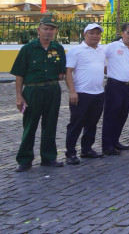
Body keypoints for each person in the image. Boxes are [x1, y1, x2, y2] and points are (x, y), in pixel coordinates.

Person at [12, 16, 66, 171]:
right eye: (45, 28)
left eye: (51, 29)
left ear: (55, 31)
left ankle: (48, 157)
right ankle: (25, 159)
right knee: (30, 125)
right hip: (33, 90)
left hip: (52, 90)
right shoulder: (28, 49)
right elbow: (19, 75)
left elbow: (61, 73)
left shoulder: (58, 48)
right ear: (38, 30)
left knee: (50, 124)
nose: (48, 32)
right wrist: (19, 96)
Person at [64, 23, 107, 165]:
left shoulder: (102, 50)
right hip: (81, 93)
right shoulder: (75, 51)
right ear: (84, 35)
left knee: (92, 123)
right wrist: (72, 91)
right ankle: (70, 152)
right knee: (76, 124)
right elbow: (68, 71)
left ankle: (87, 149)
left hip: (98, 93)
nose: (95, 36)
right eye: (91, 33)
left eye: (97, 33)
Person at [102, 23, 129, 156]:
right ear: (122, 33)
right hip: (114, 85)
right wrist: (106, 70)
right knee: (111, 115)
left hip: (128, 86)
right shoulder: (112, 46)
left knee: (123, 114)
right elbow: (100, 59)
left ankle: (115, 141)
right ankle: (107, 145)